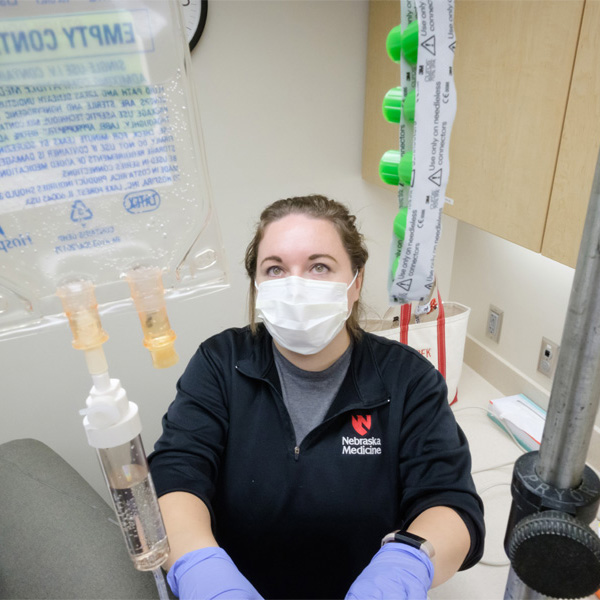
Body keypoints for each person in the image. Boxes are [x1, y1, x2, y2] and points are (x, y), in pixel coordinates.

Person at [148, 194, 485, 600]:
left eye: (319, 266)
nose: (295, 286)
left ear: (355, 283)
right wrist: (202, 571)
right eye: (275, 269)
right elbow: (175, 475)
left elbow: (449, 502)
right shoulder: (222, 362)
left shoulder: (407, 379)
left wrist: (406, 567)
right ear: (257, 285)